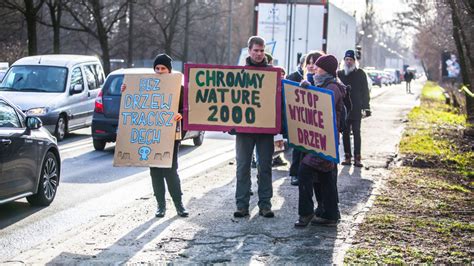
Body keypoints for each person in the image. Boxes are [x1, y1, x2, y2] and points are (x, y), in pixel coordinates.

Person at [121, 54, 188, 218]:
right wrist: (126, 90)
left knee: (170, 170)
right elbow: (135, 103)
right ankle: (160, 205)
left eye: (163, 68)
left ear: (169, 70)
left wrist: (180, 115)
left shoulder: (178, 88)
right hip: (152, 136)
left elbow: (187, 109)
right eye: (157, 68)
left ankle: (179, 204)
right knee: (155, 171)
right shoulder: (147, 86)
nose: (159, 71)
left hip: (170, 136)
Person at [295, 54, 346, 226]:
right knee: (325, 176)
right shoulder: (328, 85)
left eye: (318, 67)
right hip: (323, 140)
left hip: (325, 141)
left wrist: (307, 89)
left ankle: (306, 213)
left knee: (304, 170)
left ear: (327, 70)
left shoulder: (332, 87)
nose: (314, 69)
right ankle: (330, 215)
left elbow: (321, 101)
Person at [234, 36, 275, 218]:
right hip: (244, 130)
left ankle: (265, 204)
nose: (259, 54)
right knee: (243, 167)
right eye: (255, 50)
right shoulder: (239, 73)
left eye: (261, 50)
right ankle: (242, 205)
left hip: (265, 130)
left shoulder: (272, 73)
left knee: (264, 167)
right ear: (249, 51)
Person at [337, 50, 371, 167]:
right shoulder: (340, 74)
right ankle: (347, 156)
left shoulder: (360, 73)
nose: (348, 62)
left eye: (351, 60)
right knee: (345, 133)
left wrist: (366, 107)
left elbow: (365, 92)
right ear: (344, 61)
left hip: (356, 108)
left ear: (354, 61)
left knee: (357, 133)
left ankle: (357, 157)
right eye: (346, 59)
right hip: (344, 109)